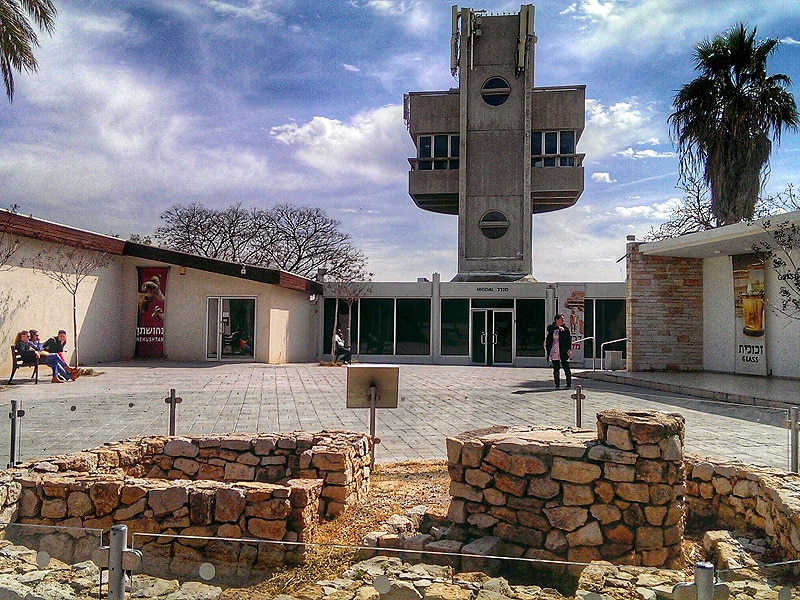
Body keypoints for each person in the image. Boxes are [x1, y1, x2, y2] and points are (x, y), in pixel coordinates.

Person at [545, 314, 572, 389]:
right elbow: (549, 329)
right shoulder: (552, 328)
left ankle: (569, 383)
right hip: (555, 350)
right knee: (556, 368)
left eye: (563, 319)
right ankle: (557, 384)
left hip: (563, 350)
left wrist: (569, 349)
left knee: (566, 366)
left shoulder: (565, 329)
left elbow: (568, 340)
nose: (563, 320)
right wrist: (557, 327)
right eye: (561, 319)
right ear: (557, 320)